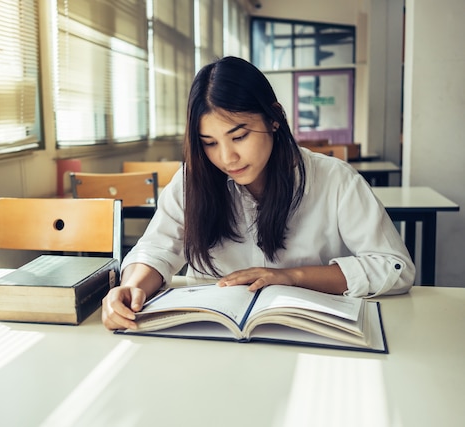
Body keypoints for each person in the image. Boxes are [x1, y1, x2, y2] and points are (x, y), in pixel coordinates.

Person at [102, 56, 414, 331]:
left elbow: (394, 268)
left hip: (307, 337)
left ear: (273, 118)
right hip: (212, 335)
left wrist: (293, 276)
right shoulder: (192, 181)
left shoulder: (334, 180)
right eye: (209, 143)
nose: (227, 158)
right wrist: (131, 287)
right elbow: (156, 250)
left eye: (239, 135)